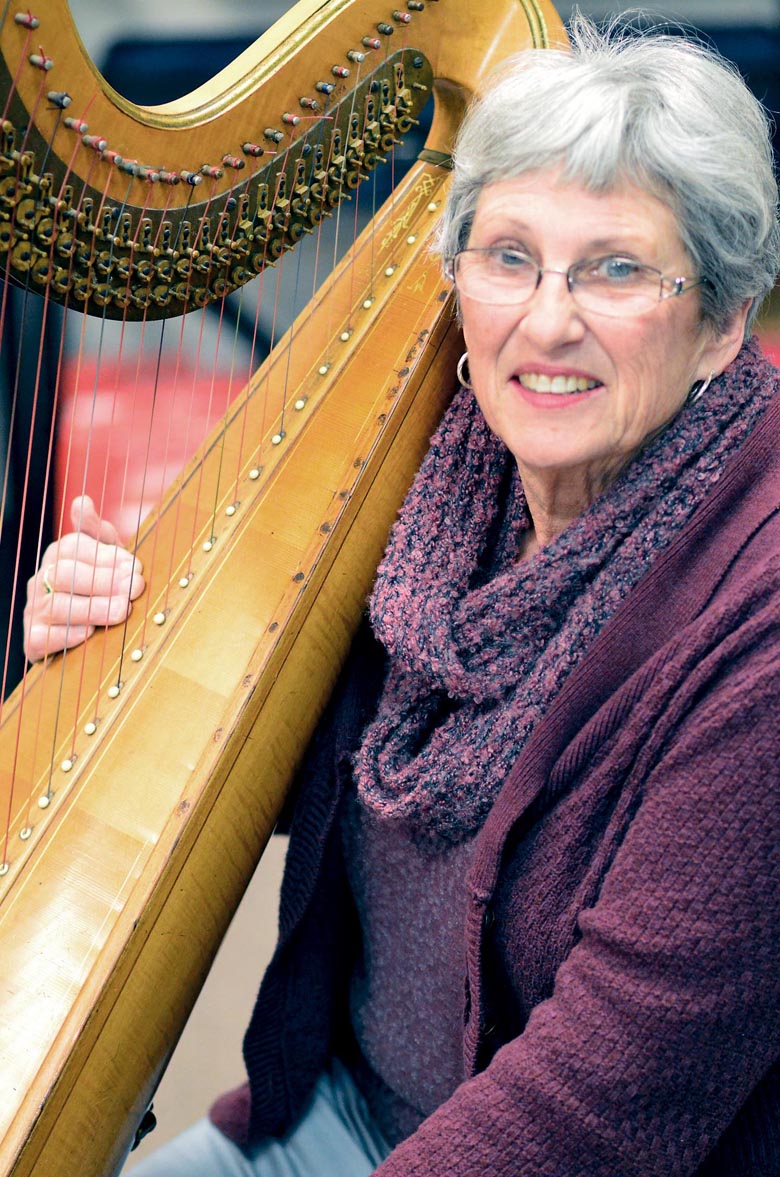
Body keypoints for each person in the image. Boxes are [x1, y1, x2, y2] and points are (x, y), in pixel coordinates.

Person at [24, 13, 780, 1176]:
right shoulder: (455, 475)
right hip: (331, 1117)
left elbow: (598, 1109)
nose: (547, 319)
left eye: (617, 268)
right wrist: (100, 647)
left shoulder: (755, 630)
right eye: (508, 255)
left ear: (724, 324)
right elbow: (323, 776)